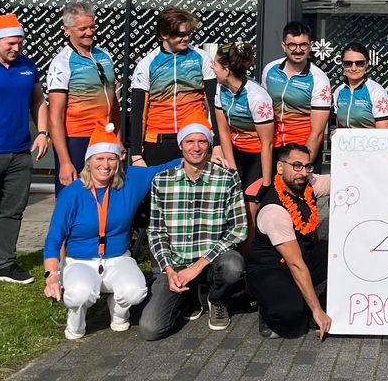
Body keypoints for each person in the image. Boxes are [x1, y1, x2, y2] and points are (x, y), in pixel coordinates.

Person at [42, 123, 178, 339]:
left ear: (119, 160)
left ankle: (118, 311)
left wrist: (205, 155)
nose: (105, 165)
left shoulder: (130, 181)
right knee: (79, 295)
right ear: (88, 161)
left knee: (136, 291)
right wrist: (52, 276)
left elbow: (165, 168)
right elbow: (54, 240)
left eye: (111, 159)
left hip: (117, 259)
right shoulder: (72, 193)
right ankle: (75, 321)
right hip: (80, 261)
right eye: (99, 158)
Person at [140, 114, 247, 340]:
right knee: (151, 329)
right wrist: (169, 270)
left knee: (233, 266)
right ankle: (189, 298)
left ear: (209, 145)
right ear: (180, 145)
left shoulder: (228, 178)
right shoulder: (162, 180)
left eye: (202, 141)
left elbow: (239, 228)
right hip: (177, 264)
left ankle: (217, 299)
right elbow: (156, 232)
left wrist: (198, 266)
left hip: (212, 261)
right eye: (189, 141)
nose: (196, 148)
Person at [0, 14, 49, 284]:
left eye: (19, 43)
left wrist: (43, 133)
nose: (17, 48)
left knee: (13, 211)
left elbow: (38, 100)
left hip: (20, 153)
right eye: (11, 43)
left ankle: (4, 265)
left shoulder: (27, 65)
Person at [246, 143, 332, 339]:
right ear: (280, 167)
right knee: (292, 320)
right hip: (270, 269)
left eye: (307, 166)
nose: (303, 172)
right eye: (296, 166)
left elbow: (344, 178)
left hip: (300, 258)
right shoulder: (274, 212)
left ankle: (316, 300)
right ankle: (267, 303)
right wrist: (316, 310)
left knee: (336, 253)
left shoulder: (307, 183)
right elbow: (296, 265)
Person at [129, 6, 217, 167]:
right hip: (158, 140)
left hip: (193, 137)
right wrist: (136, 154)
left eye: (189, 33)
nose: (186, 38)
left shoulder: (201, 57)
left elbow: (214, 103)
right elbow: (138, 111)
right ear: (164, 34)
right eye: (180, 34)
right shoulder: (147, 63)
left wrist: (217, 144)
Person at [47, 2, 119, 196]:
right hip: (77, 139)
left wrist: (118, 139)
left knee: (105, 196)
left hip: (104, 136)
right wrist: (65, 161)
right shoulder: (62, 63)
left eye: (92, 27)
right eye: (82, 29)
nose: (89, 32)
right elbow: (55, 116)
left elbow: (114, 102)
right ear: (67, 30)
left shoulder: (104, 55)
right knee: (73, 197)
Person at [210, 42, 274, 249]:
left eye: (215, 64)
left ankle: (248, 260)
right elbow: (223, 131)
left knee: (248, 212)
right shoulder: (221, 88)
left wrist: (266, 182)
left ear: (227, 70)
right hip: (236, 154)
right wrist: (231, 167)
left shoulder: (256, 96)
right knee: (230, 209)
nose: (211, 67)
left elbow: (267, 143)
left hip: (257, 157)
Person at [261, 21, 332, 164]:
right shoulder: (270, 70)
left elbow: (317, 133)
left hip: (302, 148)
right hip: (272, 145)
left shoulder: (319, 79)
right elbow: (263, 110)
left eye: (303, 45)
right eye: (292, 45)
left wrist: (303, 165)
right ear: (284, 46)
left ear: (311, 46)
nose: (298, 50)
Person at [332, 42, 388, 129]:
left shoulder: (377, 91)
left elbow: (383, 131)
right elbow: (339, 128)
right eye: (348, 63)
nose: (353, 68)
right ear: (342, 64)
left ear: (367, 64)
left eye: (359, 63)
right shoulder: (338, 91)